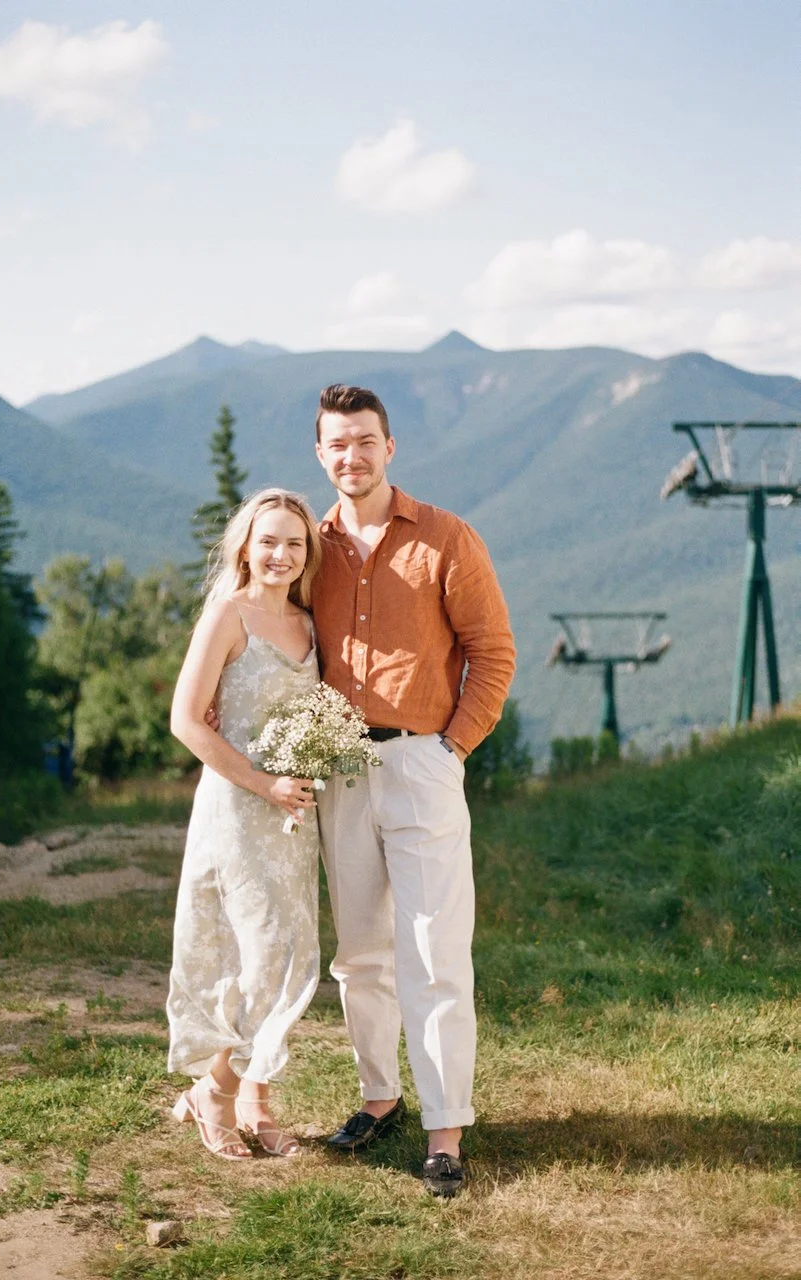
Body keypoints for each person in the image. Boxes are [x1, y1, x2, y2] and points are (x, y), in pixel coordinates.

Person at [311, 384, 516, 1197]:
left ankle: (444, 1132)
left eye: (364, 441)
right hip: (337, 771)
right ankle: (378, 1097)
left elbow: (492, 652)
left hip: (420, 762)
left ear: (388, 448)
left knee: (433, 952)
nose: (351, 456)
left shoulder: (444, 538)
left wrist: (450, 749)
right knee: (359, 953)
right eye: (337, 444)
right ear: (319, 454)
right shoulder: (308, 546)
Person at [167, 488, 322, 1160]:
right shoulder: (229, 615)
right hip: (238, 806)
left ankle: (255, 1098)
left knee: (293, 958)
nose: (280, 554)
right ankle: (216, 1091)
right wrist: (262, 783)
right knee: (258, 960)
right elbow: (184, 720)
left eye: (294, 543)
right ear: (245, 547)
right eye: (268, 541)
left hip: (294, 818)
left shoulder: (311, 624)